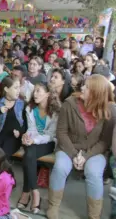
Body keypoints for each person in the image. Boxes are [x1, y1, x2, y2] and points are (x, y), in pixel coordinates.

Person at [47, 75, 116, 219]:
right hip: (69, 147)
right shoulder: (69, 103)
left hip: (95, 151)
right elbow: (61, 132)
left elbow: (104, 142)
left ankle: (94, 215)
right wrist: (74, 155)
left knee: (93, 172)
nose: (82, 88)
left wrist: (85, 157)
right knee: (60, 167)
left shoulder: (110, 110)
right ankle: (53, 206)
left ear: (96, 93)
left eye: (87, 87)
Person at [17, 83, 61, 214]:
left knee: (28, 154)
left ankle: (26, 192)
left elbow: (51, 135)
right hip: (33, 141)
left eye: (38, 91)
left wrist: (34, 140)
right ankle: (35, 192)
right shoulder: (30, 108)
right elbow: (31, 129)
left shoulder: (55, 111)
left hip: (48, 142)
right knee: (29, 154)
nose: (34, 94)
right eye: (34, 91)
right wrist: (27, 137)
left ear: (47, 94)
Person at [0, 77, 27, 158]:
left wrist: (20, 133)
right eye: (16, 88)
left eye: (19, 87)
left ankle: (3, 170)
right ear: (6, 89)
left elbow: (26, 124)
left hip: (14, 137)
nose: (18, 90)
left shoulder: (22, 104)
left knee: (3, 156)